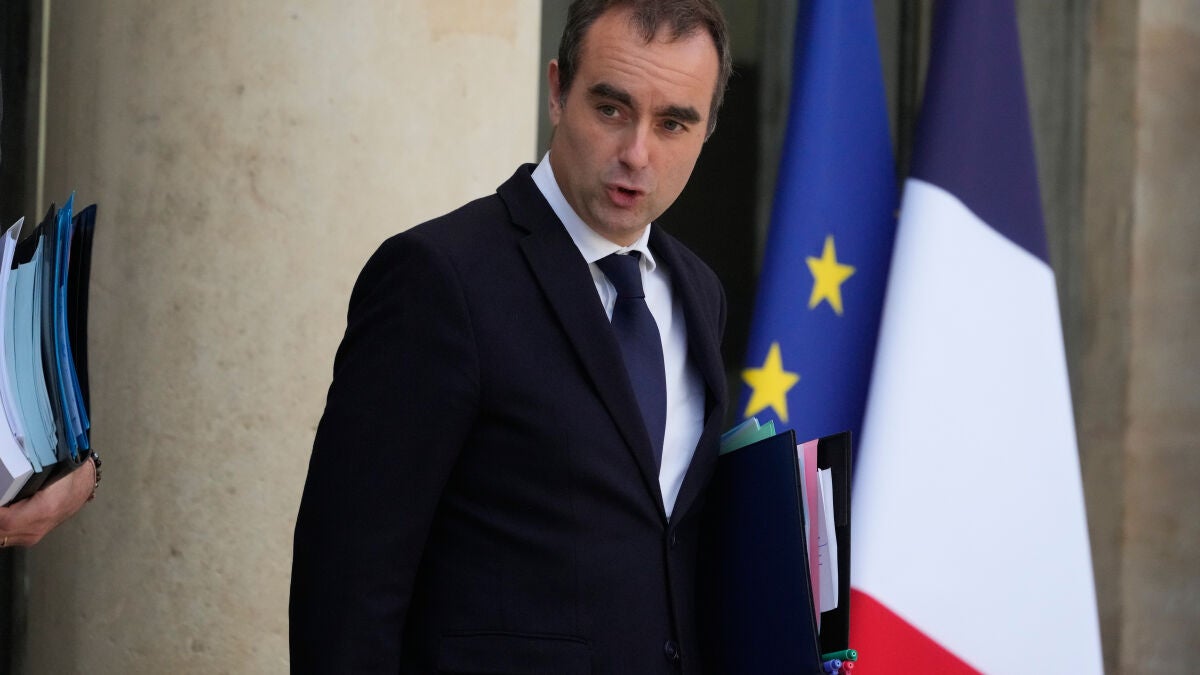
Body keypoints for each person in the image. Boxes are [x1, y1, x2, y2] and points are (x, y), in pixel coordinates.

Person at [290, 1, 732, 672]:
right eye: (611, 109)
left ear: (706, 131)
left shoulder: (700, 292)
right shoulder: (439, 277)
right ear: (557, 91)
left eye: (673, 123)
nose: (637, 154)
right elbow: (346, 589)